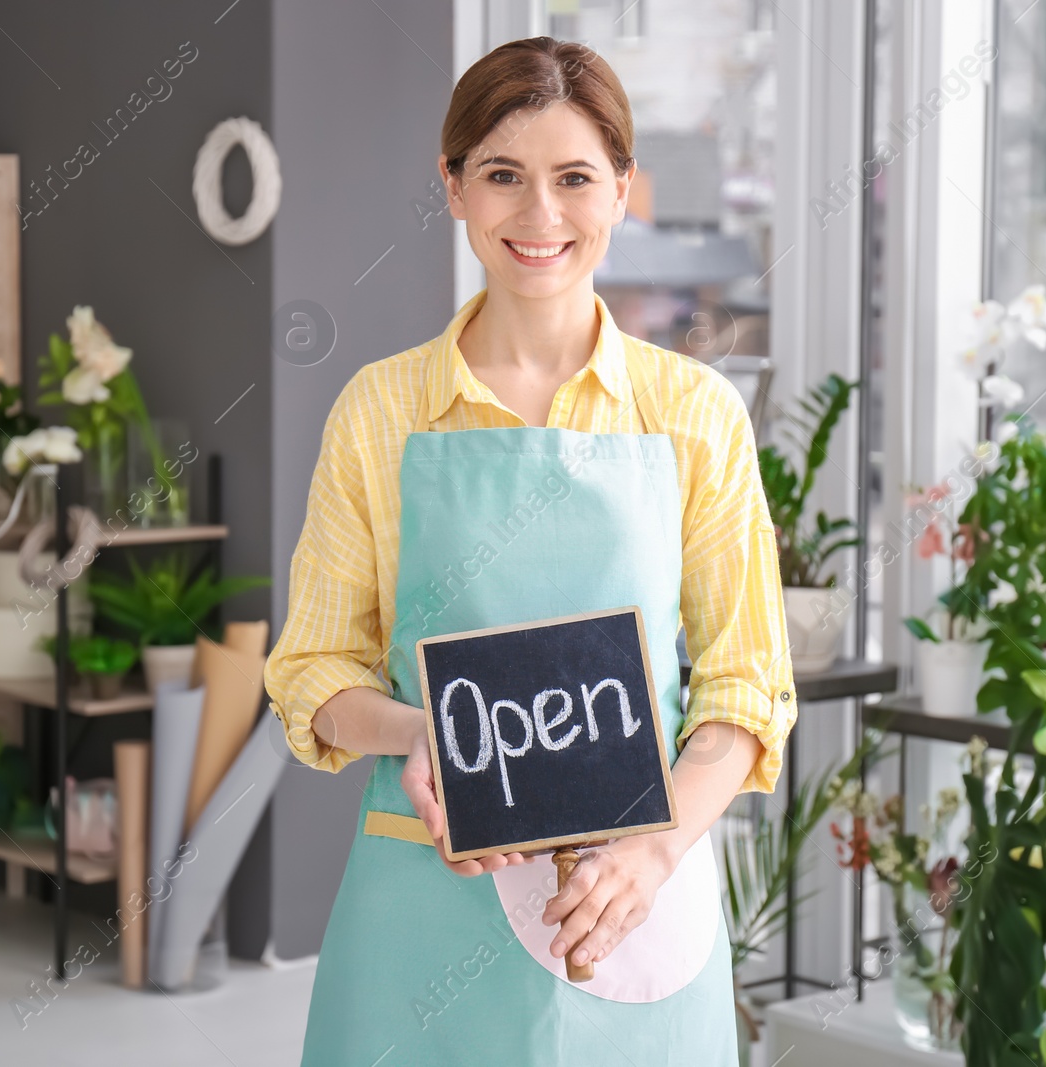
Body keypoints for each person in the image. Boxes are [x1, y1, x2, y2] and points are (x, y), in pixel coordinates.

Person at [264, 35, 799, 1066]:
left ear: (622, 190)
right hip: (423, 900)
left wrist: (649, 848)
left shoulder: (692, 413)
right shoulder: (381, 410)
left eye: (574, 178)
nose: (539, 215)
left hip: (632, 899)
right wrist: (427, 735)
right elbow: (313, 669)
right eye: (503, 175)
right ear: (453, 185)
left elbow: (745, 688)